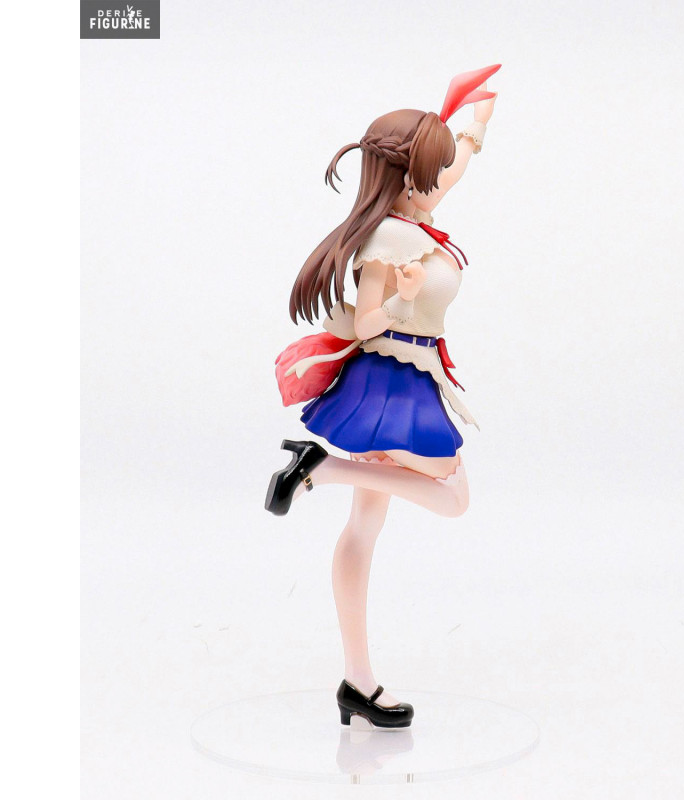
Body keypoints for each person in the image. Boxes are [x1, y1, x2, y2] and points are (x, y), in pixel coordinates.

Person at [266, 65, 500, 728]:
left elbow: (451, 173)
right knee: (452, 496)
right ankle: (321, 470)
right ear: (403, 176)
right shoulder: (391, 238)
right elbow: (368, 322)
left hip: (404, 376)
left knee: (364, 528)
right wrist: (402, 297)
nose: (441, 180)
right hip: (394, 381)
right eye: (430, 169)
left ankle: (357, 682)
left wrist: (476, 128)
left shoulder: (415, 215)